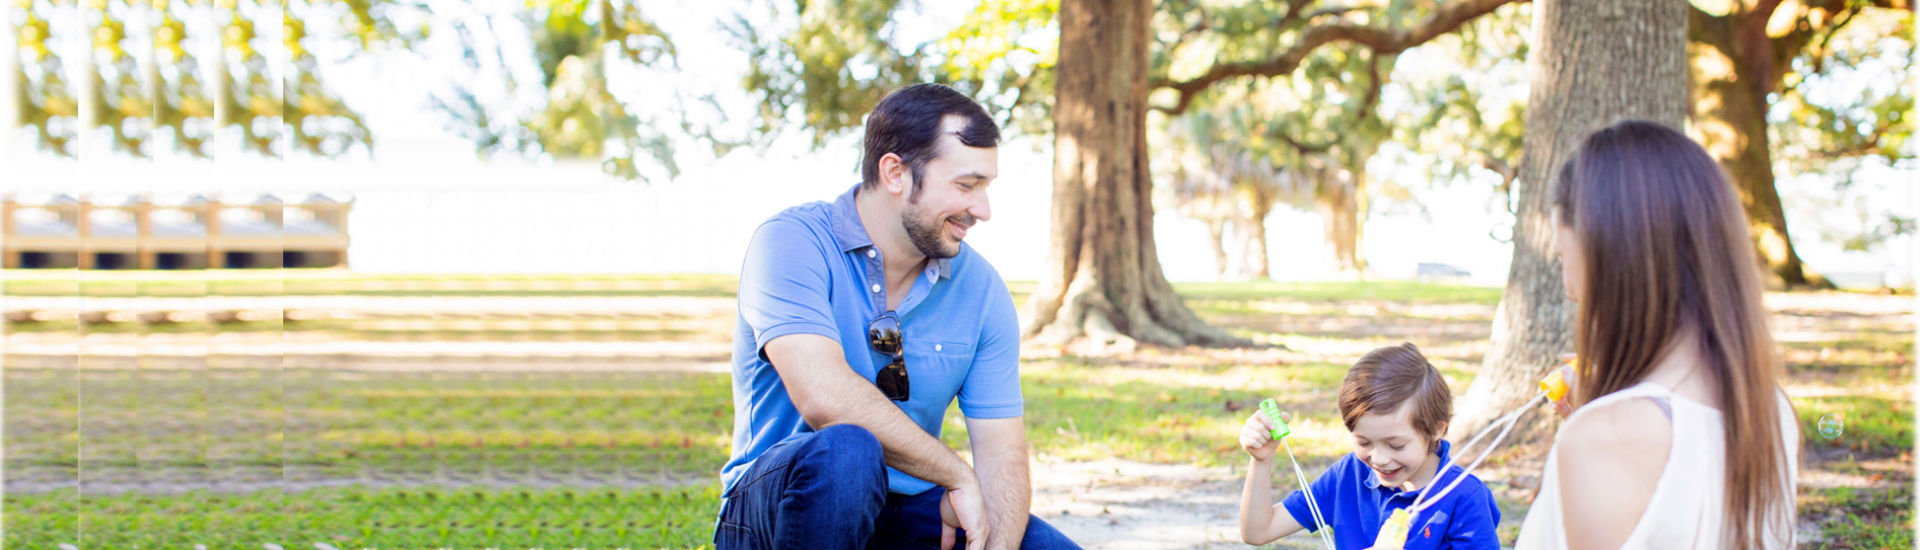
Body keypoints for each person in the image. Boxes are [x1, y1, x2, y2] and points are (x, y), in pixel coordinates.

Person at [713, 82, 1079, 550]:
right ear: (895, 173)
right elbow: (825, 398)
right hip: (776, 512)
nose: (982, 210)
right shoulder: (791, 242)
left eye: (985, 188)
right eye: (966, 186)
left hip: (905, 510)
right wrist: (957, 476)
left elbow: (1001, 449)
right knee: (847, 451)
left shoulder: (982, 289)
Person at [1514, 119, 1801, 548]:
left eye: (1563, 258)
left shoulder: (1602, 437)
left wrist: (1597, 423)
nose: (1571, 292)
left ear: (1608, 259)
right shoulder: (1772, 409)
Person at [1238, 343, 1501, 550]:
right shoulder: (1348, 475)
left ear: (1436, 429)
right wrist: (1262, 461)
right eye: (1364, 442)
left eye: (1396, 445)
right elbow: (1258, 531)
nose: (1379, 459)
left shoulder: (1465, 496)